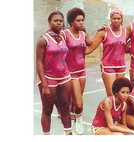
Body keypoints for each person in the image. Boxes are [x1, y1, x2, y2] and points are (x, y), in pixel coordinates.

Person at [36, 11, 72, 135]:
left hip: (64, 77)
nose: (58, 23)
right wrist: (44, 85)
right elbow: (39, 63)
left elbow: (78, 29)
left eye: (61, 21)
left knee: (65, 107)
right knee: (47, 110)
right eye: (55, 20)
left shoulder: (62, 36)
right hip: (49, 78)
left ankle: (68, 133)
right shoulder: (43, 39)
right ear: (49, 22)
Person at [61, 7, 92, 135]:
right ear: (71, 22)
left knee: (76, 101)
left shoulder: (83, 34)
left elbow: (91, 45)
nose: (81, 23)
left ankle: (74, 117)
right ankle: (78, 119)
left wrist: (103, 33)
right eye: (78, 20)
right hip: (70, 72)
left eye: (82, 20)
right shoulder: (64, 34)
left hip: (82, 71)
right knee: (78, 104)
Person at [85, 9, 127, 97]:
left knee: (121, 96)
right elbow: (90, 49)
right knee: (111, 95)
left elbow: (127, 48)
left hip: (121, 66)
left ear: (122, 19)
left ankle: (118, 111)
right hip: (108, 66)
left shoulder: (126, 31)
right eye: (114, 18)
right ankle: (108, 110)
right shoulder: (103, 32)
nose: (116, 20)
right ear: (110, 19)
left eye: (118, 18)